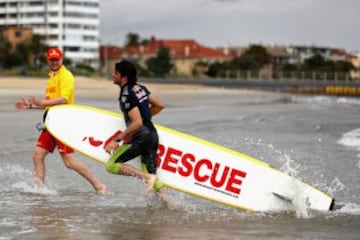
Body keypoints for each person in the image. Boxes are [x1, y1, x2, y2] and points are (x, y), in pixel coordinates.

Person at [14, 47, 106, 194]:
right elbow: (51, 104)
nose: (54, 62)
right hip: (51, 123)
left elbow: (64, 99)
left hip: (64, 124)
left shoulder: (66, 76)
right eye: (52, 60)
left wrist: (41, 103)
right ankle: (40, 190)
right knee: (37, 155)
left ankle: (99, 185)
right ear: (48, 60)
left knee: (69, 162)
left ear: (61, 59)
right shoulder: (52, 77)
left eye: (57, 59)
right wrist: (31, 106)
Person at [104, 59, 171, 203]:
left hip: (140, 137)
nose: (112, 75)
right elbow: (159, 105)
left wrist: (116, 140)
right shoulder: (140, 88)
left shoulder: (126, 95)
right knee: (151, 175)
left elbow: (137, 123)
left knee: (111, 165)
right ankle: (170, 204)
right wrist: (146, 116)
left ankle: (145, 177)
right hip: (152, 136)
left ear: (124, 77)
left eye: (115, 73)